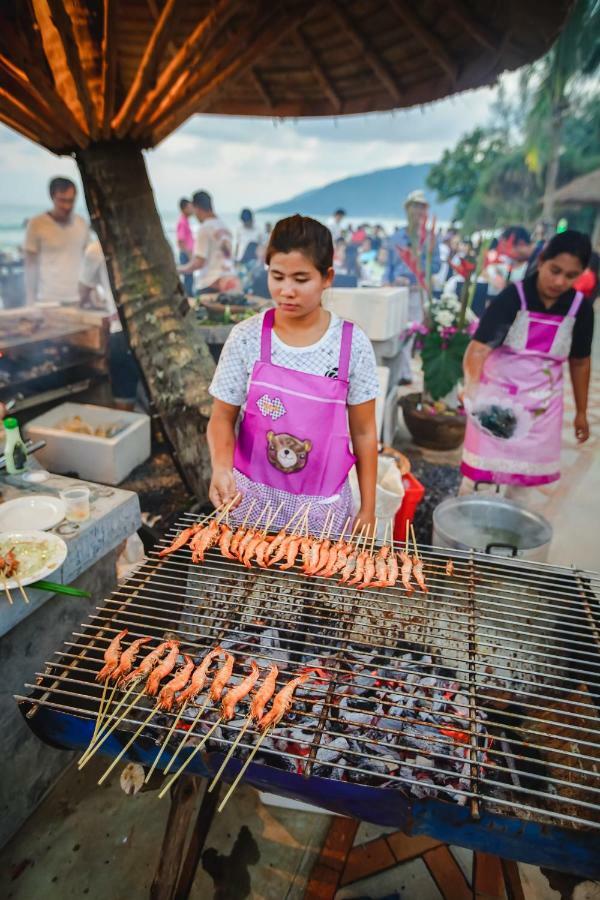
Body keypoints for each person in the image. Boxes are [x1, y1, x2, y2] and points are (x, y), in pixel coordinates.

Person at [206, 214, 379, 535]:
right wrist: (220, 467)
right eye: (277, 276)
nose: (286, 290)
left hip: (321, 510)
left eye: (301, 279)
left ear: (327, 277)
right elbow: (221, 417)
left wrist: (368, 509)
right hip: (248, 502)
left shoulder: (351, 345)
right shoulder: (247, 337)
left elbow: (366, 433)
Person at [460, 230, 593, 503]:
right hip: (496, 403)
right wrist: (473, 392)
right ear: (542, 260)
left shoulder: (581, 308)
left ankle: (511, 541)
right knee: (479, 481)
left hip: (542, 410)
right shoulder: (513, 297)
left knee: (523, 490)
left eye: (571, 276)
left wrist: (581, 412)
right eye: (555, 270)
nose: (559, 281)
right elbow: (478, 349)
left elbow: (579, 361)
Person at [386, 189, 441, 383]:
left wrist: (419, 274)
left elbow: (436, 265)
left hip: (418, 292)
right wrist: (391, 281)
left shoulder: (431, 237)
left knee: (411, 332)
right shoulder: (397, 237)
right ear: (408, 209)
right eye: (415, 206)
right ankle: (400, 372)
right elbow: (389, 267)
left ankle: (404, 373)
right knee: (396, 332)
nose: (418, 211)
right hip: (397, 291)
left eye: (422, 207)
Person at [79, 240, 140, 410]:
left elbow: (82, 291)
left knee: (124, 398)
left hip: (122, 332)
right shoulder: (147, 240)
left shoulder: (96, 248)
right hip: (150, 328)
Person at [24, 176, 89, 306]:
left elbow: (88, 261)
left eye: (71, 201)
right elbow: (30, 265)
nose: (67, 206)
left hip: (77, 299)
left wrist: (92, 293)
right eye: (62, 200)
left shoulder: (81, 224)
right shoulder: (37, 224)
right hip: (47, 300)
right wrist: (30, 300)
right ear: (52, 197)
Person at [178, 190, 239, 293]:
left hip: (210, 284)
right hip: (230, 279)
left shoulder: (204, 228)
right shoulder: (225, 227)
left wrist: (179, 270)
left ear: (197, 208)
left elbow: (199, 263)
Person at [176, 198, 195, 297]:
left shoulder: (185, 221)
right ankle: (189, 298)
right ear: (184, 209)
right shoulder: (182, 222)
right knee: (188, 279)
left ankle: (189, 296)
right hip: (186, 254)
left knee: (189, 278)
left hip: (187, 253)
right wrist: (190, 255)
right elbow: (181, 241)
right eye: (189, 207)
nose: (192, 209)